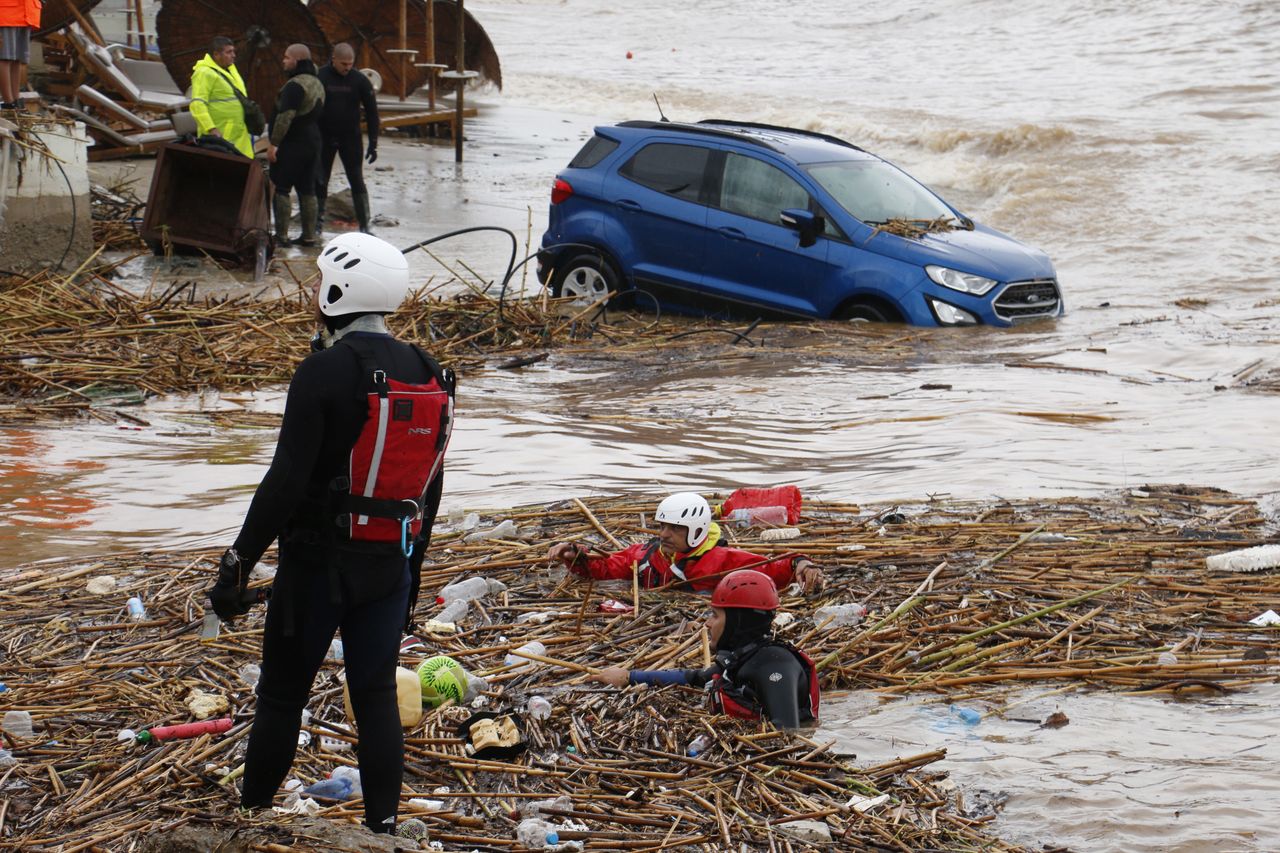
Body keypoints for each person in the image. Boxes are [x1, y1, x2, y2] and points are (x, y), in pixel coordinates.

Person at [209, 232, 455, 834]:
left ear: (339, 291)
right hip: (388, 567)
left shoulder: (322, 370)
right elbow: (430, 486)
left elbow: (285, 480)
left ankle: (254, 814)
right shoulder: (432, 372)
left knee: (282, 695)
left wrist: (237, 563)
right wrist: (412, 575)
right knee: (374, 699)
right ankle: (384, 829)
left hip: (318, 566)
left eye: (322, 282)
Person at [588, 570, 819, 729]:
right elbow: (695, 678)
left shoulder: (774, 664)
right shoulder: (743, 659)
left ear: (739, 622)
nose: (707, 623)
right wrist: (629, 677)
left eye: (715, 615)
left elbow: (789, 733)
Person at [546, 492, 825, 593]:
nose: (664, 534)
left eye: (674, 529)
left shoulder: (720, 562)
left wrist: (801, 564)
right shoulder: (646, 556)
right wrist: (575, 555)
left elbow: (772, 568)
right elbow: (606, 566)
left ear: (695, 530)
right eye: (662, 526)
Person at [316, 42, 380, 234]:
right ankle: (316, 224)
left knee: (356, 178)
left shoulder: (359, 80)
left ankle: (364, 225)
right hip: (324, 136)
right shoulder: (321, 76)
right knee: (320, 179)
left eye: (350, 64)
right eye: (343, 63)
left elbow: (372, 113)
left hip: (350, 137)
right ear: (333, 59)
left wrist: (373, 143)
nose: (347, 67)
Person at [268, 44, 325, 247]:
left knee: (282, 188)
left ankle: (281, 236)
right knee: (307, 190)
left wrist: (274, 143)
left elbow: (285, 117)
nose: (283, 61)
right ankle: (309, 235)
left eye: (287, 57)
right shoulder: (317, 82)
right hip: (313, 142)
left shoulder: (295, 85)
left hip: (293, 143)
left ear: (297, 60)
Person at [189, 36, 255, 158]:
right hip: (221, 134)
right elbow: (197, 104)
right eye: (229, 52)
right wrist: (211, 128)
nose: (234, 55)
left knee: (243, 169)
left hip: (239, 132)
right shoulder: (204, 73)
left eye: (234, 51)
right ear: (216, 55)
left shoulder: (230, 69)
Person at [0, 0, 40, 112]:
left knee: (17, 59)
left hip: (26, 13)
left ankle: (16, 101)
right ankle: (8, 103)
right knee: (5, 57)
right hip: (5, 13)